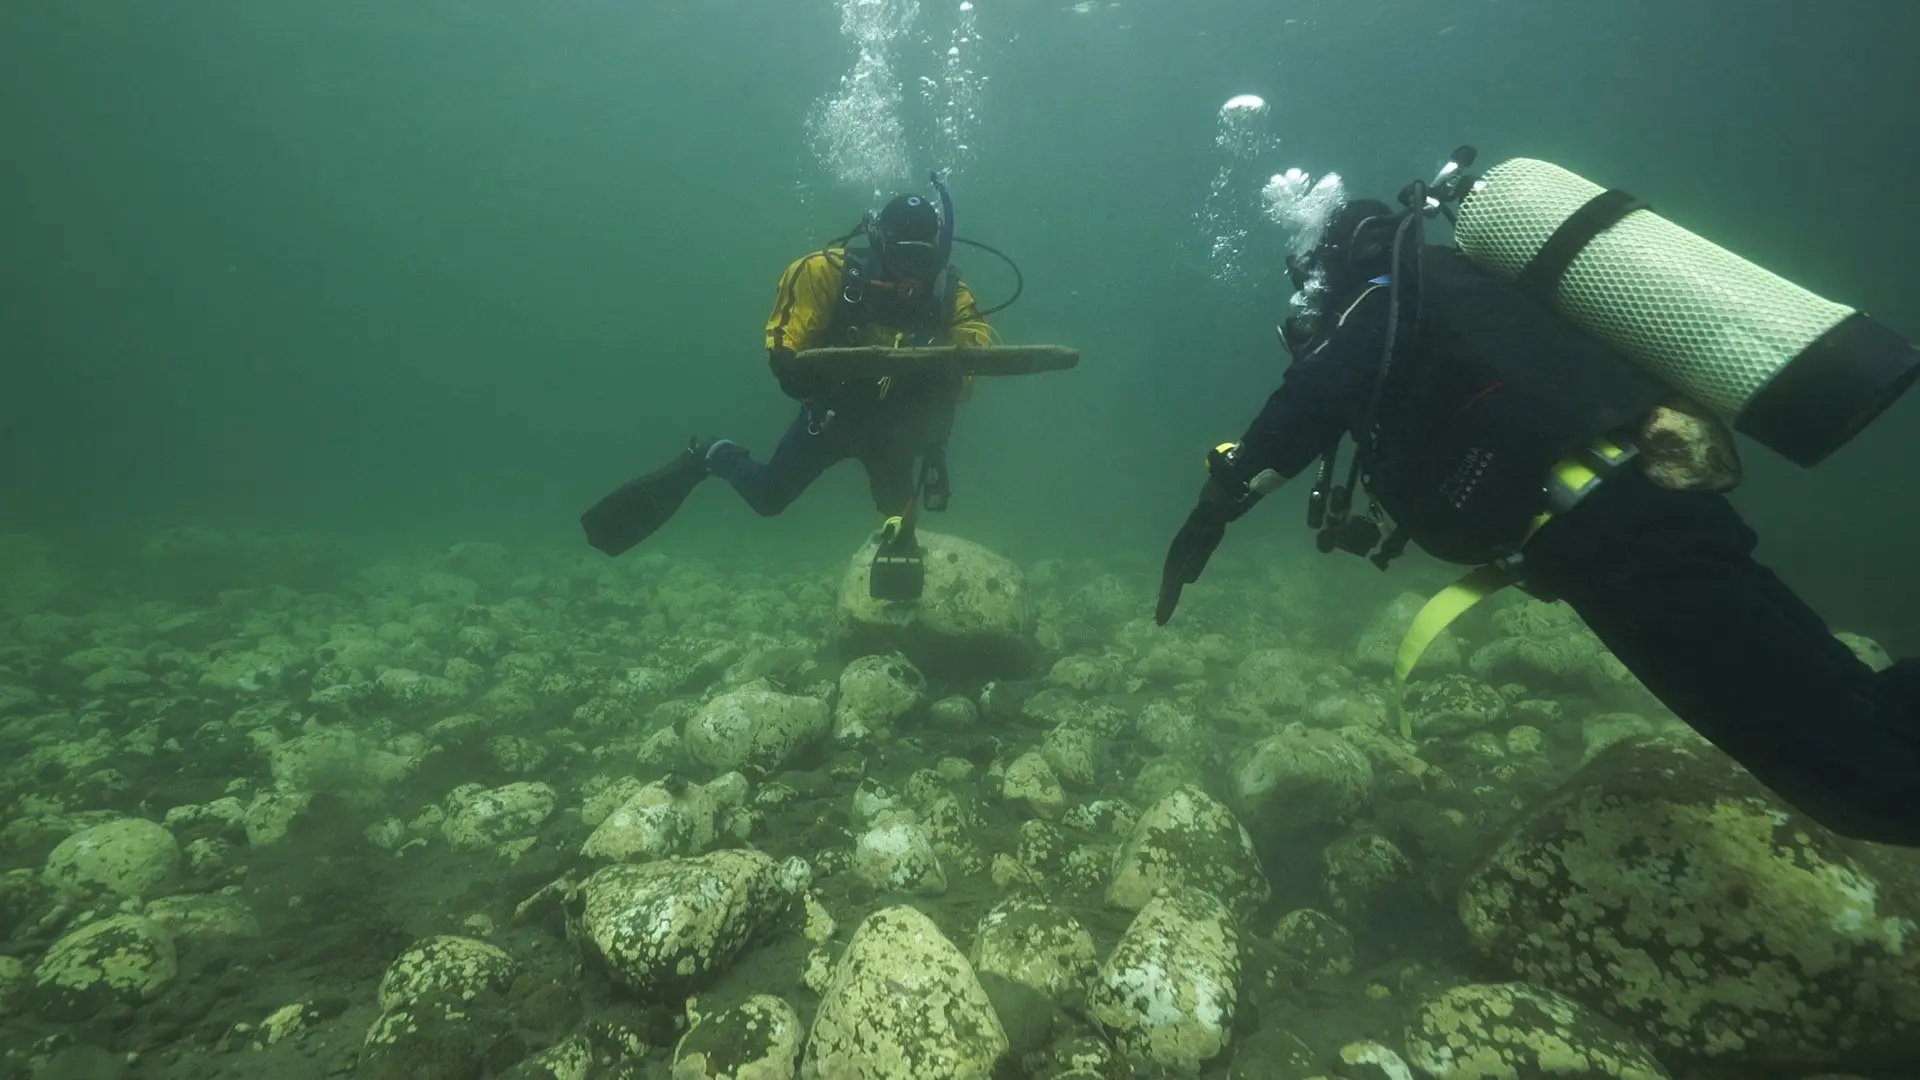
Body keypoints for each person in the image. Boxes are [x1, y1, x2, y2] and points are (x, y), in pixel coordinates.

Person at [1154, 183, 1920, 847]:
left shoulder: (1380, 302)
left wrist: (1212, 511)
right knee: (1851, 714)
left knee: (1861, 774)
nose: (1303, 316)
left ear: (1332, 268)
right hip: (1635, 513)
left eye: (1306, 294)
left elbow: (1304, 404)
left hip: (1612, 536)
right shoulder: (1455, 292)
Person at [579, 182, 993, 558]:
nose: (911, 277)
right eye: (902, 258)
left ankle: (895, 591)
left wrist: (953, 378)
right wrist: (788, 362)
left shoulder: (949, 296)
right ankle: (710, 453)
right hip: (829, 418)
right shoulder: (829, 272)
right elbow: (787, 331)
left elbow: (975, 341)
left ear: (939, 255)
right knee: (768, 499)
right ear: (881, 244)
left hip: (890, 428)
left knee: (899, 516)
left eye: (923, 261)